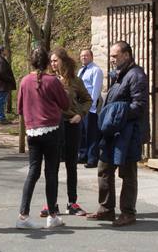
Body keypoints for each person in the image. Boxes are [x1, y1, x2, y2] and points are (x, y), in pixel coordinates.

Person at [90, 40, 148, 227]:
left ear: (126, 55)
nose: (112, 59)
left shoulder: (137, 75)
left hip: (128, 133)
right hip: (112, 132)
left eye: (115, 56)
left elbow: (139, 106)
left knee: (128, 173)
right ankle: (106, 209)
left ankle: (128, 213)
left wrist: (115, 114)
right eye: (111, 56)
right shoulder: (119, 75)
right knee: (104, 169)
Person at [15, 48, 71, 229]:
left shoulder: (24, 81)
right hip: (51, 130)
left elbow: (20, 108)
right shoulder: (52, 81)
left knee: (33, 172)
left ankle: (23, 215)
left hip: (32, 131)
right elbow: (65, 104)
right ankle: (52, 215)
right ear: (47, 62)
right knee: (51, 173)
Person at [46, 47, 92, 217]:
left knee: (71, 165)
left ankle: (72, 202)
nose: (53, 63)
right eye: (51, 61)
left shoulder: (75, 80)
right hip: (54, 127)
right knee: (53, 166)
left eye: (55, 60)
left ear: (63, 61)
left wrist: (80, 114)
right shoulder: (48, 80)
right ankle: (51, 204)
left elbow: (88, 99)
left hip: (71, 125)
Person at [77, 49, 104, 168]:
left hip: (90, 107)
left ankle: (92, 158)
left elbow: (96, 90)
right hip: (80, 106)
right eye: (82, 56)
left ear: (92, 57)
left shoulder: (96, 70)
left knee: (91, 133)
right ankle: (83, 155)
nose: (84, 57)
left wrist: (90, 106)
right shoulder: (80, 71)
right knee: (82, 132)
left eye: (86, 55)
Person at [0, 46, 16, 126]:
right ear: (2, 51)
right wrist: (9, 78)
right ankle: (1, 118)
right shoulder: (1, 60)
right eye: (5, 50)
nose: (6, 51)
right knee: (1, 102)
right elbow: (0, 73)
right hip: (2, 84)